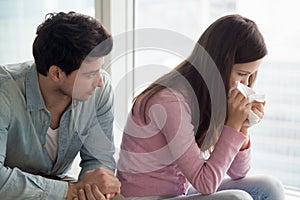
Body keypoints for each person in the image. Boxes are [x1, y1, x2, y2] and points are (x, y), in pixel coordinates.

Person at [117, 14, 285, 200]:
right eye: (241, 74)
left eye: (251, 76)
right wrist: (232, 126)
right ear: (218, 65)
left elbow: (239, 172)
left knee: (270, 186)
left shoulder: (210, 95)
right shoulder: (169, 102)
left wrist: (243, 126)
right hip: (146, 197)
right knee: (238, 199)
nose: (245, 85)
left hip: (179, 191)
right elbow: (206, 183)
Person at [0, 11, 121, 200]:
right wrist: (68, 191)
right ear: (56, 74)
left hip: (60, 186)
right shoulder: (4, 93)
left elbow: (99, 161)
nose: (99, 83)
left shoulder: (99, 91)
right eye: (89, 74)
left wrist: (93, 187)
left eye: (99, 70)